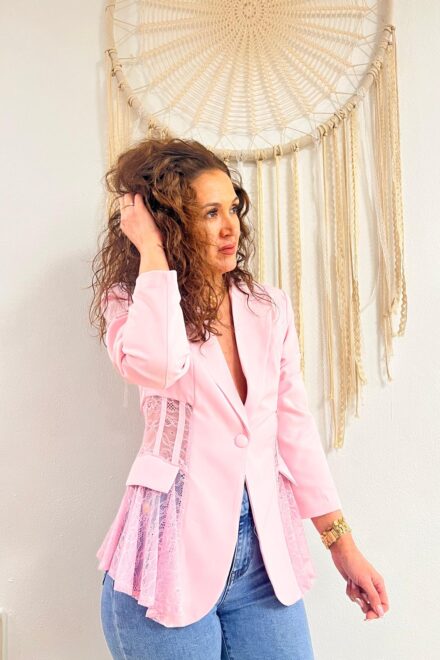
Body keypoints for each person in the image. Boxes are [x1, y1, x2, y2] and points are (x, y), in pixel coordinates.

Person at [90, 137, 389, 659]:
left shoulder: (267, 307)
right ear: (167, 223)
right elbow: (159, 364)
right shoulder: (133, 302)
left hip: (262, 563)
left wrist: (343, 547)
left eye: (232, 208)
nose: (231, 227)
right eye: (210, 213)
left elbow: (294, 429)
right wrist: (154, 255)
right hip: (166, 565)